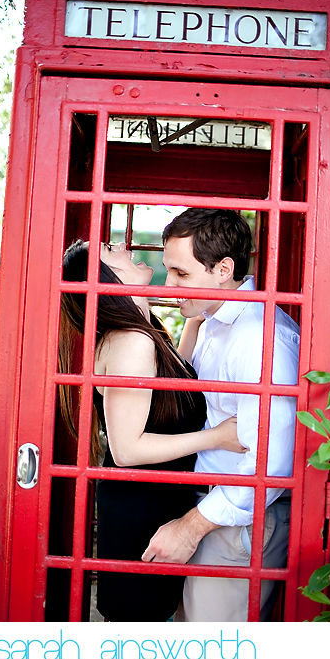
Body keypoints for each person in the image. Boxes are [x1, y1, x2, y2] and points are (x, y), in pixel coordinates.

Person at [59, 239, 244, 621]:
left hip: (159, 499)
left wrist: (196, 315)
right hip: (140, 506)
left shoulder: (144, 331)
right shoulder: (131, 341)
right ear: (109, 278)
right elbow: (127, 449)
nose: (126, 248)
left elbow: (176, 388)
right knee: (137, 623)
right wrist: (217, 436)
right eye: (112, 250)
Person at [143, 208, 299, 622]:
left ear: (223, 268)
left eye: (181, 274)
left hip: (237, 527)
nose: (169, 286)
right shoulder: (214, 319)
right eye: (167, 271)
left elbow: (271, 463)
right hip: (210, 510)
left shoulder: (258, 339)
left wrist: (190, 528)